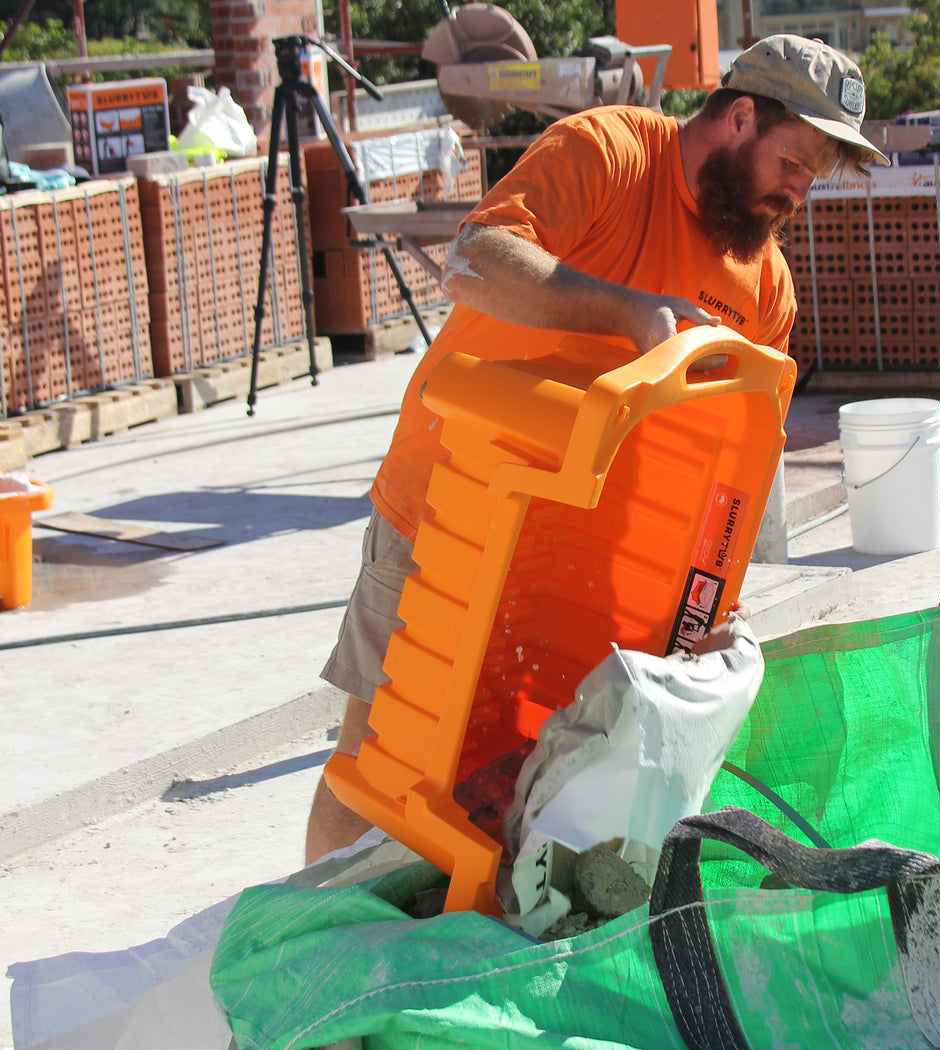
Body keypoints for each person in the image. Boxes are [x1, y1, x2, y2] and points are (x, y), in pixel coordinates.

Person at [305, 34, 889, 863]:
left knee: (511, 787)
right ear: (740, 117)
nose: (799, 193)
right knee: (379, 768)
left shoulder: (766, 285)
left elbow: (739, 461)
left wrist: (715, 596)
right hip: (453, 509)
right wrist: (627, 312)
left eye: (814, 177)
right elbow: (474, 262)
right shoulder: (607, 155)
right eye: (793, 163)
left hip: (585, 569)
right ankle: (298, 938)